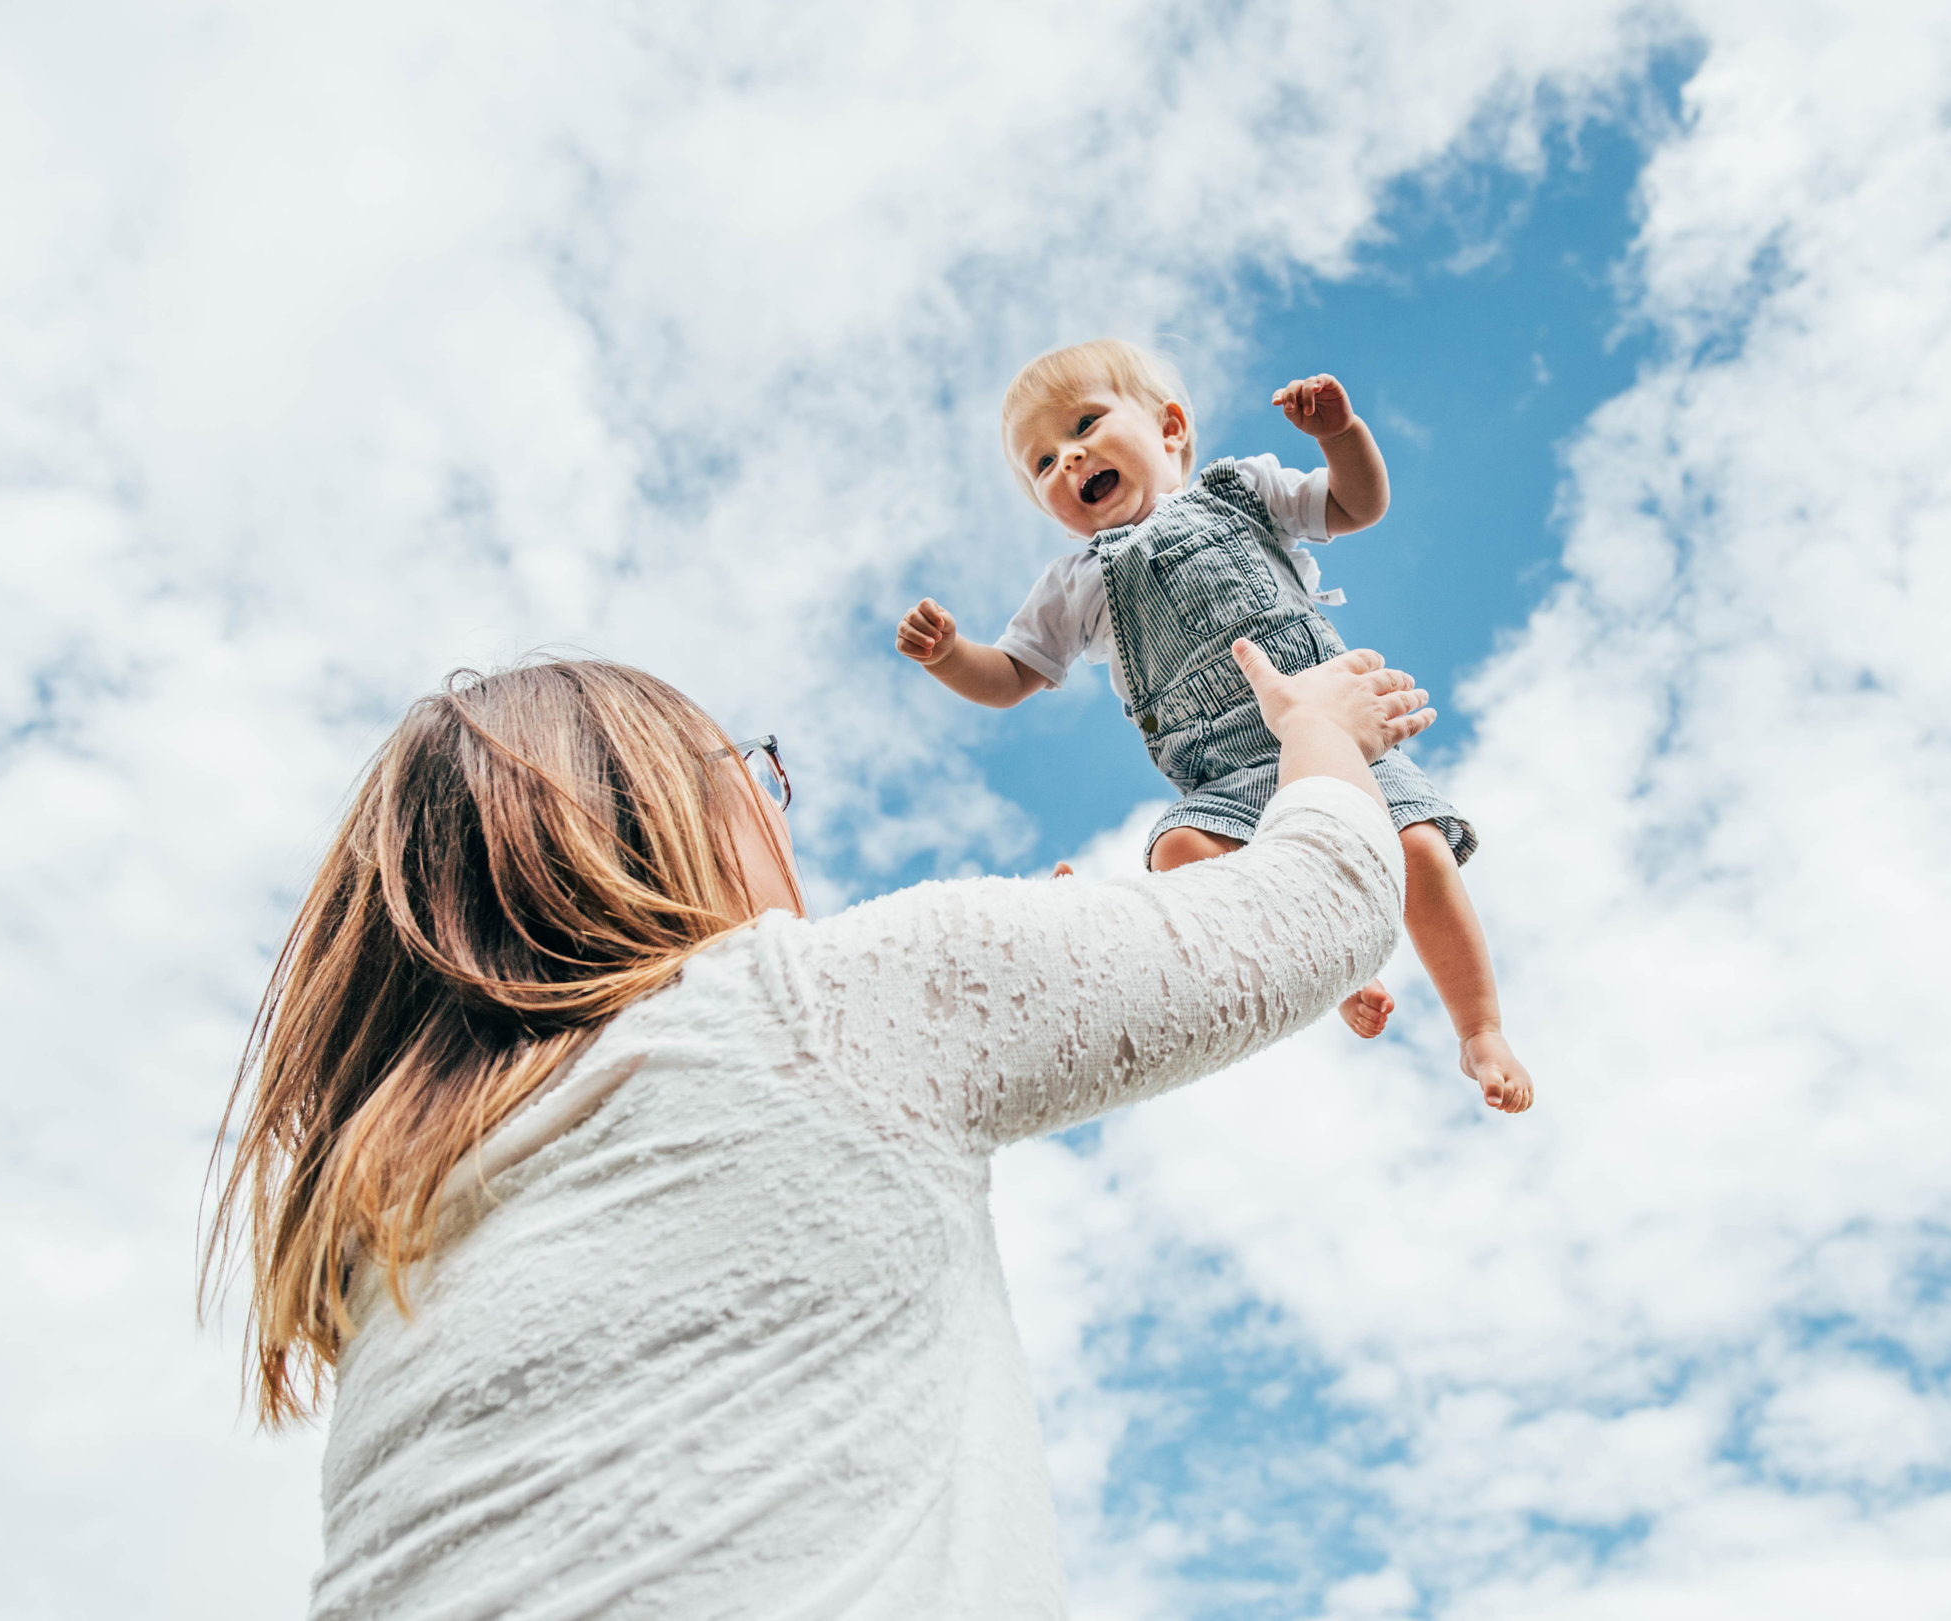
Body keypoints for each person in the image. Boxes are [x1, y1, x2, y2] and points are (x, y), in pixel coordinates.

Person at [205, 642, 1430, 1619]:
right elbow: (1319, 903)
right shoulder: (810, 1003)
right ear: (677, 814)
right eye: (756, 771)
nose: (780, 815)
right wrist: (1320, 734)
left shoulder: (388, 1221)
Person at [897, 339, 1535, 1113]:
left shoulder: (1244, 490)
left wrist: (1340, 436)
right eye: (1041, 464)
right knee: (1179, 850)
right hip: (1222, 776)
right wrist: (951, 654)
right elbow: (1010, 676)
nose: (1067, 459)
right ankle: (1323, 960)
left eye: (1086, 425)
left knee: (1420, 848)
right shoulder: (1077, 582)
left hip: (1332, 731)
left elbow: (1358, 504)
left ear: (1169, 428)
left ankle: (1480, 1029)